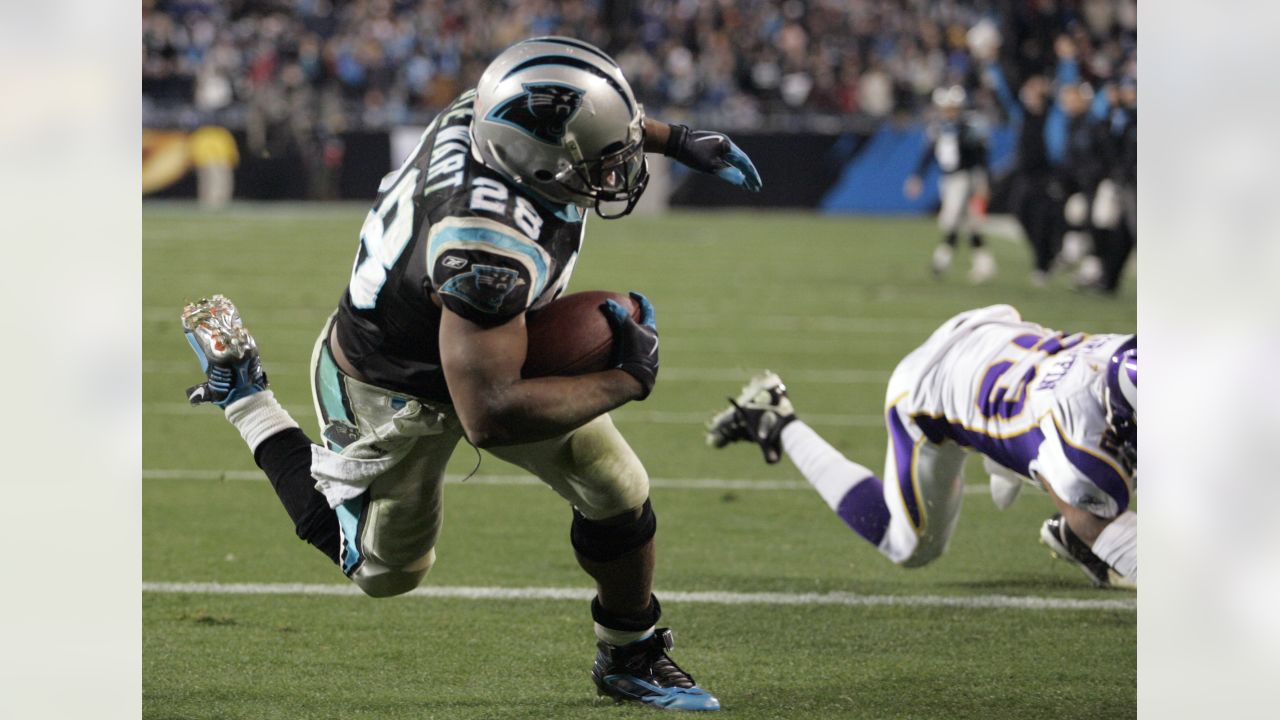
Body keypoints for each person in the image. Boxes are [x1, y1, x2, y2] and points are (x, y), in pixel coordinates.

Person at [180, 37, 762, 712]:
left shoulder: (489, 113)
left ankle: (629, 653)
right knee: (385, 571)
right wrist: (626, 378)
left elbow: (563, 122)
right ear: (545, 163)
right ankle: (244, 392)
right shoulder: (485, 246)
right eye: (611, 157)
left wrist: (676, 139)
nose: (623, 167)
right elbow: (489, 414)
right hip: (392, 389)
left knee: (616, 484)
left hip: (483, 339)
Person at [705, 305, 1137, 589]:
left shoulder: (1128, 357)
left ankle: (1050, 508)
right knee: (909, 545)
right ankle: (777, 421)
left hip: (989, 332)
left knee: (1065, 467)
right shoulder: (1081, 445)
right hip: (928, 389)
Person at [904, 85, 996, 284]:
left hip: (966, 177)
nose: (949, 111)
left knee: (951, 219)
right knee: (970, 223)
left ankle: (941, 261)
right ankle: (984, 263)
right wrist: (918, 176)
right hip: (947, 178)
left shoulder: (969, 126)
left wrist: (984, 180)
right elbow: (928, 154)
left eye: (953, 107)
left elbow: (981, 156)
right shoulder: (938, 127)